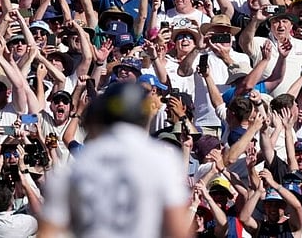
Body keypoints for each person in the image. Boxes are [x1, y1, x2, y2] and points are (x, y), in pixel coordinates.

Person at [38, 82, 191, 237]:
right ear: (143, 115)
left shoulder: (80, 163)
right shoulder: (162, 160)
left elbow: (49, 232)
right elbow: (177, 229)